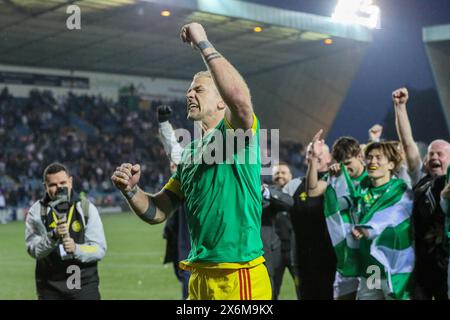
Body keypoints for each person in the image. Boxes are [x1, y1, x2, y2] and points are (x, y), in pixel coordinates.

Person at [111, 22, 271, 300]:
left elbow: (241, 101)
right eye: (189, 90)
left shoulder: (235, 137)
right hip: (199, 276)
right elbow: (158, 211)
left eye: (199, 90)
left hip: (237, 276)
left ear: (221, 103)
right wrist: (131, 190)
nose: (189, 94)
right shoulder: (190, 153)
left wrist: (203, 44)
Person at [393, 87, 450, 300]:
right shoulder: (420, 180)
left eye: (440, 154)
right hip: (420, 264)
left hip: (446, 263)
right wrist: (400, 108)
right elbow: (408, 144)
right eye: (431, 153)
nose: (434, 156)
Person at [25, 162, 107, 300]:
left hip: (85, 287)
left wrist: (77, 249)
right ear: (45, 186)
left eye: (63, 182)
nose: (59, 188)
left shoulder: (86, 208)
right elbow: (33, 250)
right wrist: (53, 237)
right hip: (50, 288)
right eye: (53, 185)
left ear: (70, 182)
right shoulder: (36, 212)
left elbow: (99, 249)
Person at [305, 133, 368, 300]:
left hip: (370, 256)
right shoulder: (335, 176)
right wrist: (313, 159)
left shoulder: (373, 177)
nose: (345, 169)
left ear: (359, 156)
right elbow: (312, 190)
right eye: (341, 164)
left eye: (348, 163)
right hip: (346, 257)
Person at [157, 105, 191, 299]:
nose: (174, 165)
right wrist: (163, 123)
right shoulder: (176, 187)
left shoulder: (194, 177)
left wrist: (163, 124)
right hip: (185, 253)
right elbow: (174, 152)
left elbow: (176, 154)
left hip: (203, 256)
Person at [261, 162, 296, 299]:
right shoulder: (266, 193)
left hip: (295, 249)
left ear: (291, 176)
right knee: (271, 289)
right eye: (276, 173)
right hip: (274, 250)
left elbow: (288, 202)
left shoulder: (300, 191)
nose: (280, 175)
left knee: (303, 289)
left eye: (283, 173)